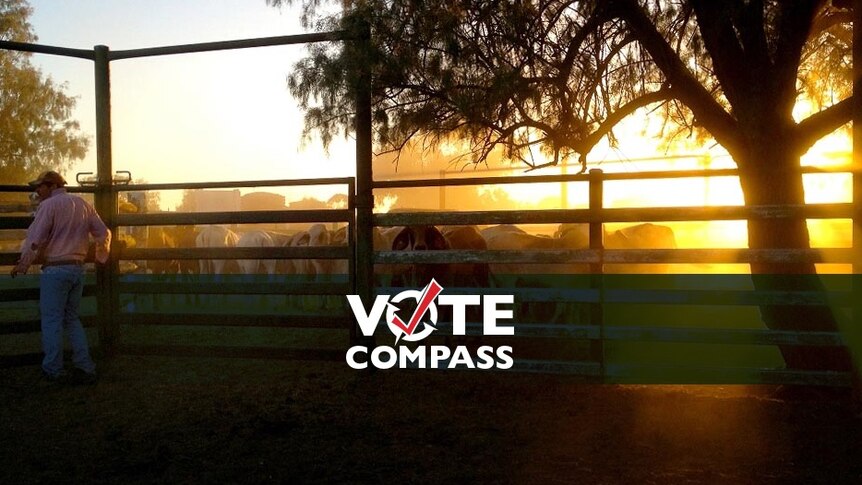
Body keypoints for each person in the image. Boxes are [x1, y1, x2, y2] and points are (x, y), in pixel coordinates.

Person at [10, 170, 111, 384]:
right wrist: (101, 256)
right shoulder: (83, 204)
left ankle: (53, 368)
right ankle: (84, 365)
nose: (37, 190)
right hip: (77, 268)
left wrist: (23, 263)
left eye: (40, 186)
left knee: (52, 320)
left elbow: (35, 239)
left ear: (52, 186)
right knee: (72, 318)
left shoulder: (48, 206)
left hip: (55, 269)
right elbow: (104, 233)